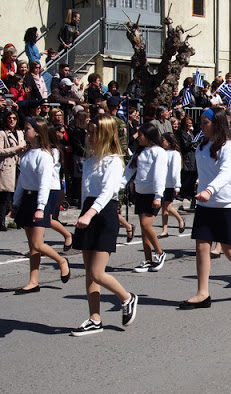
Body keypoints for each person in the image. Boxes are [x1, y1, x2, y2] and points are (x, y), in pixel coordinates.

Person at [179, 108, 231, 308]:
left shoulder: (230, 146)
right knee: (201, 246)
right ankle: (202, 293)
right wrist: (201, 185)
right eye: (202, 122)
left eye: (206, 122)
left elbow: (227, 172)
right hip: (206, 204)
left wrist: (210, 190)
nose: (202, 126)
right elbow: (206, 171)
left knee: (229, 249)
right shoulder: (202, 146)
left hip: (227, 203)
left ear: (217, 123)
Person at [70, 115, 138, 336]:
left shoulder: (114, 162)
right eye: (88, 132)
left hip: (103, 214)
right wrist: (83, 213)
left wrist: (90, 213)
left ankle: (126, 297)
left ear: (105, 135)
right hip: (88, 213)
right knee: (89, 273)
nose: (88, 136)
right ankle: (94, 318)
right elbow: (85, 194)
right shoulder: (90, 162)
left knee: (97, 272)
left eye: (92, 133)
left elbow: (108, 192)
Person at [9, 118, 71, 294]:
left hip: (39, 198)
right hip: (27, 198)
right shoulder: (28, 154)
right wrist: (15, 203)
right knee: (32, 246)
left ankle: (61, 261)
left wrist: (41, 207)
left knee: (37, 243)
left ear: (37, 132)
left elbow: (44, 183)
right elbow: (21, 181)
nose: (24, 130)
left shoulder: (45, 155)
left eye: (27, 128)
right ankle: (33, 281)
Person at [125, 123, 168, 273]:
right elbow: (128, 171)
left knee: (145, 224)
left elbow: (159, 175)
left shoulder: (159, 152)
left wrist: (158, 196)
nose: (137, 137)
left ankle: (160, 253)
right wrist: (117, 187)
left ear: (148, 136)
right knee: (144, 230)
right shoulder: (140, 152)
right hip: (140, 192)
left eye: (140, 134)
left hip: (153, 193)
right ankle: (148, 259)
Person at [0, 111, 27, 231]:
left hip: (19, 164)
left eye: (14, 118)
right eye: (9, 118)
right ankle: (1, 221)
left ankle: (19, 220)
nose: (12, 120)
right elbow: (0, 151)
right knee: (5, 196)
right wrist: (15, 149)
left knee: (19, 193)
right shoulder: (2, 133)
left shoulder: (20, 133)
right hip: (7, 166)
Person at [158, 132, 185, 238]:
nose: (162, 142)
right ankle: (164, 230)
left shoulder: (175, 154)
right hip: (162, 183)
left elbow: (175, 170)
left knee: (167, 207)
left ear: (169, 142)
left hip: (170, 184)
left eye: (163, 140)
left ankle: (180, 219)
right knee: (164, 208)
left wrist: (177, 185)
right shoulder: (162, 152)